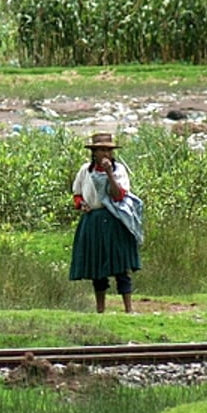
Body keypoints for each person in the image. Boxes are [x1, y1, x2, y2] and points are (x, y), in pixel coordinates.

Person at [70, 132, 143, 313]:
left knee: (121, 266)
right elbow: (77, 194)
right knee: (97, 268)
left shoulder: (119, 171)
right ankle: (100, 309)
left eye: (108, 150)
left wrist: (109, 173)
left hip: (114, 219)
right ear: (94, 152)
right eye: (101, 150)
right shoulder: (85, 171)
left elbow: (118, 195)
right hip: (93, 220)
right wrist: (81, 204)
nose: (105, 154)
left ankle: (128, 309)